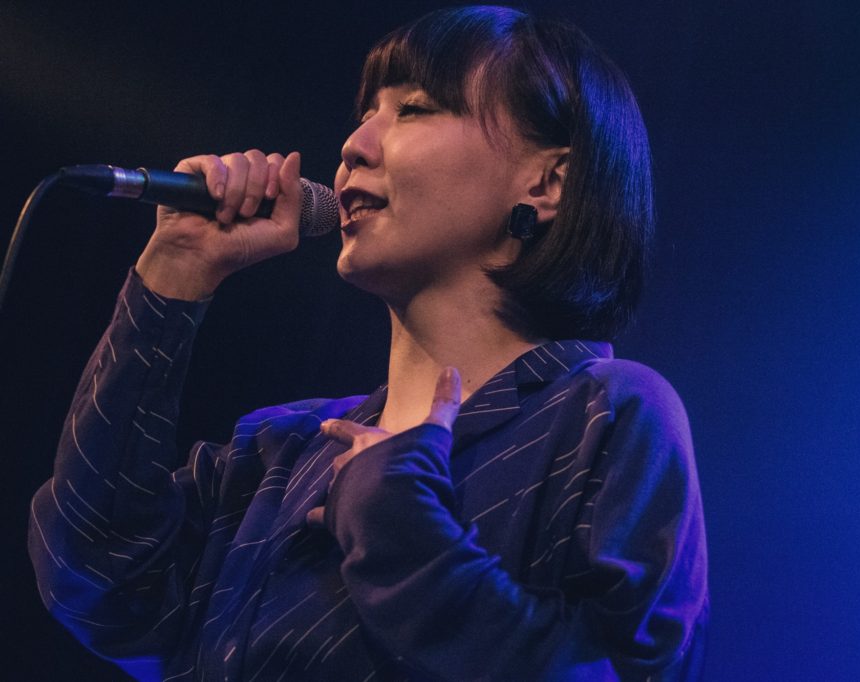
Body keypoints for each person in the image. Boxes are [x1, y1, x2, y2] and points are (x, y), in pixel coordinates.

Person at [28, 6, 709, 680]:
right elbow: (95, 579)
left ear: (546, 181)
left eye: (413, 109)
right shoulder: (282, 450)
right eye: (365, 113)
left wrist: (396, 523)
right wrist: (175, 270)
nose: (354, 144)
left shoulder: (603, 416)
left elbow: (617, 670)